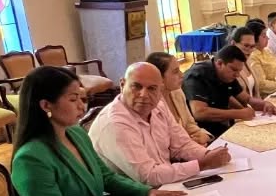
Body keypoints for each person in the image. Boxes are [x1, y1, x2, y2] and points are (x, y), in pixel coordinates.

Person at [11, 67, 185, 196]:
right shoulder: (30, 159)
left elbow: (106, 176)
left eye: (82, 98)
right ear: (46, 105)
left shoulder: (76, 133)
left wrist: (146, 191)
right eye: (73, 99)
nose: (82, 106)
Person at [89, 62, 231, 186]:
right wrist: (203, 163)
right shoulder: (115, 123)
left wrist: (209, 155)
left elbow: (181, 145)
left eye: (152, 88)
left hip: (164, 184)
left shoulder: (158, 106)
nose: (144, 95)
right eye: (136, 86)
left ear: (160, 89)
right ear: (122, 84)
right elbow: (147, 176)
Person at [182, 45, 276, 138]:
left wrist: (264, 103)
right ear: (219, 63)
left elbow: (247, 98)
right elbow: (199, 113)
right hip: (201, 133)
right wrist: (239, 113)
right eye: (234, 70)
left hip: (222, 126)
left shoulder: (227, 74)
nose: (237, 75)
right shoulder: (196, 76)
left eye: (239, 71)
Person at [148, 50, 214, 146]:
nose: (182, 74)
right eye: (175, 72)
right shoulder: (152, 106)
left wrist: (204, 136)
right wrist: (191, 144)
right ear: (159, 78)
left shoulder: (176, 92)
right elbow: (163, 145)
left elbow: (190, 124)